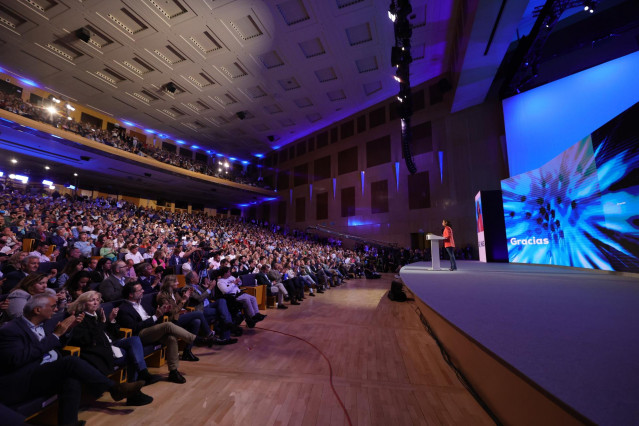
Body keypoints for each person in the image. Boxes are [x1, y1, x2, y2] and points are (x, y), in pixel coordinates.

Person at [0, 294, 145, 425]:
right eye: (52, 306)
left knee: (71, 378)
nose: (56, 309)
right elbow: (17, 360)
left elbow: (52, 346)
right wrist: (55, 335)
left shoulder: (40, 324)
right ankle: (114, 388)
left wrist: (67, 331)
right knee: (70, 362)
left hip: (43, 371)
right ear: (37, 310)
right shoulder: (11, 331)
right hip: (22, 380)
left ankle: (69, 423)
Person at [66, 291, 161, 406]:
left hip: (111, 343)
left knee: (134, 340)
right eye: (92, 300)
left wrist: (111, 320)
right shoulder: (80, 318)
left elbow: (114, 333)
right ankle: (134, 393)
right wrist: (102, 323)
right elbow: (89, 340)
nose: (96, 302)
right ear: (83, 303)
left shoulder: (97, 314)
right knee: (132, 354)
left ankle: (142, 374)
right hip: (100, 352)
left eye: (97, 299)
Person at [116, 282, 214, 384]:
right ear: (131, 294)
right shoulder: (124, 308)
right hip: (140, 335)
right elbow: (134, 328)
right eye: (139, 290)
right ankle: (196, 339)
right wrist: (155, 317)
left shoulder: (142, 303)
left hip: (153, 330)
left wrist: (162, 312)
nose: (143, 291)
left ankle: (173, 371)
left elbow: (156, 316)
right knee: (168, 325)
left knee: (171, 338)